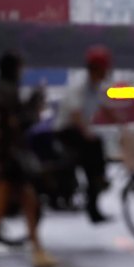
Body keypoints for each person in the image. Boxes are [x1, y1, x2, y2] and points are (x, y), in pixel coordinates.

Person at [0, 52, 57, 267]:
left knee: (28, 203)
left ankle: (37, 252)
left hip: (6, 158)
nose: (23, 71)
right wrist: (35, 102)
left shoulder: (1, 90)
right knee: (0, 208)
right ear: (13, 69)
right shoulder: (7, 92)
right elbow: (19, 122)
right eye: (20, 68)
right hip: (8, 159)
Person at [54, 45, 112, 223]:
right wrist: (87, 132)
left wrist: (124, 123)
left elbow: (106, 108)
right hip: (66, 131)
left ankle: (94, 201)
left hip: (78, 130)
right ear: (96, 68)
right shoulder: (80, 86)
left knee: (93, 163)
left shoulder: (96, 88)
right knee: (95, 147)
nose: (107, 72)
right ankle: (97, 184)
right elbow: (76, 113)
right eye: (105, 68)